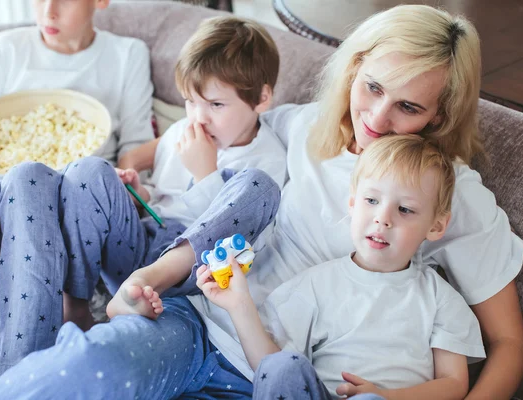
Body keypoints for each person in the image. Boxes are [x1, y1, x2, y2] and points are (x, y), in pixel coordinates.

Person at [0, 4, 523, 400]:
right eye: (373, 87)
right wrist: (137, 160)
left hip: (291, 381)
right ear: (356, 67)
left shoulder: (450, 195)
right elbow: (216, 125)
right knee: (86, 366)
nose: (377, 120)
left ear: (440, 114)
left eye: (408, 106)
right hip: (197, 325)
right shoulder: (308, 126)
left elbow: (508, 344)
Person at [0, 14, 284, 382]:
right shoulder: (180, 134)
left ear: (262, 99)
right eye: (190, 102)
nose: (199, 118)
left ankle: (122, 298)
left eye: (216, 105)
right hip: (142, 245)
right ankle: (75, 306)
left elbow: (244, 235)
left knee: (250, 188)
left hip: (193, 267)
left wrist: (206, 175)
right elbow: (160, 194)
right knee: (89, 171)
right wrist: (136, 192)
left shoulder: (266, 158)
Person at [197, 135, 486, 400]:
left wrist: (385, 397)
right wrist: (239, 305)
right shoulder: (316, 284)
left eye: (405, 209)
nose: (382, 219)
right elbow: (268, 366)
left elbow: (453, 383)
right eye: (371, 200)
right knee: (285, 366)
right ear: (352, 204)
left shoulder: (440, 298)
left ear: (436, 226)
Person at [0, 0, 155, 178]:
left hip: (89, 189)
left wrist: (128, 188)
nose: (48, 12)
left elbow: (137, 144)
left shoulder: (128, 55)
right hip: (0, 189)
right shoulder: (5, 49)